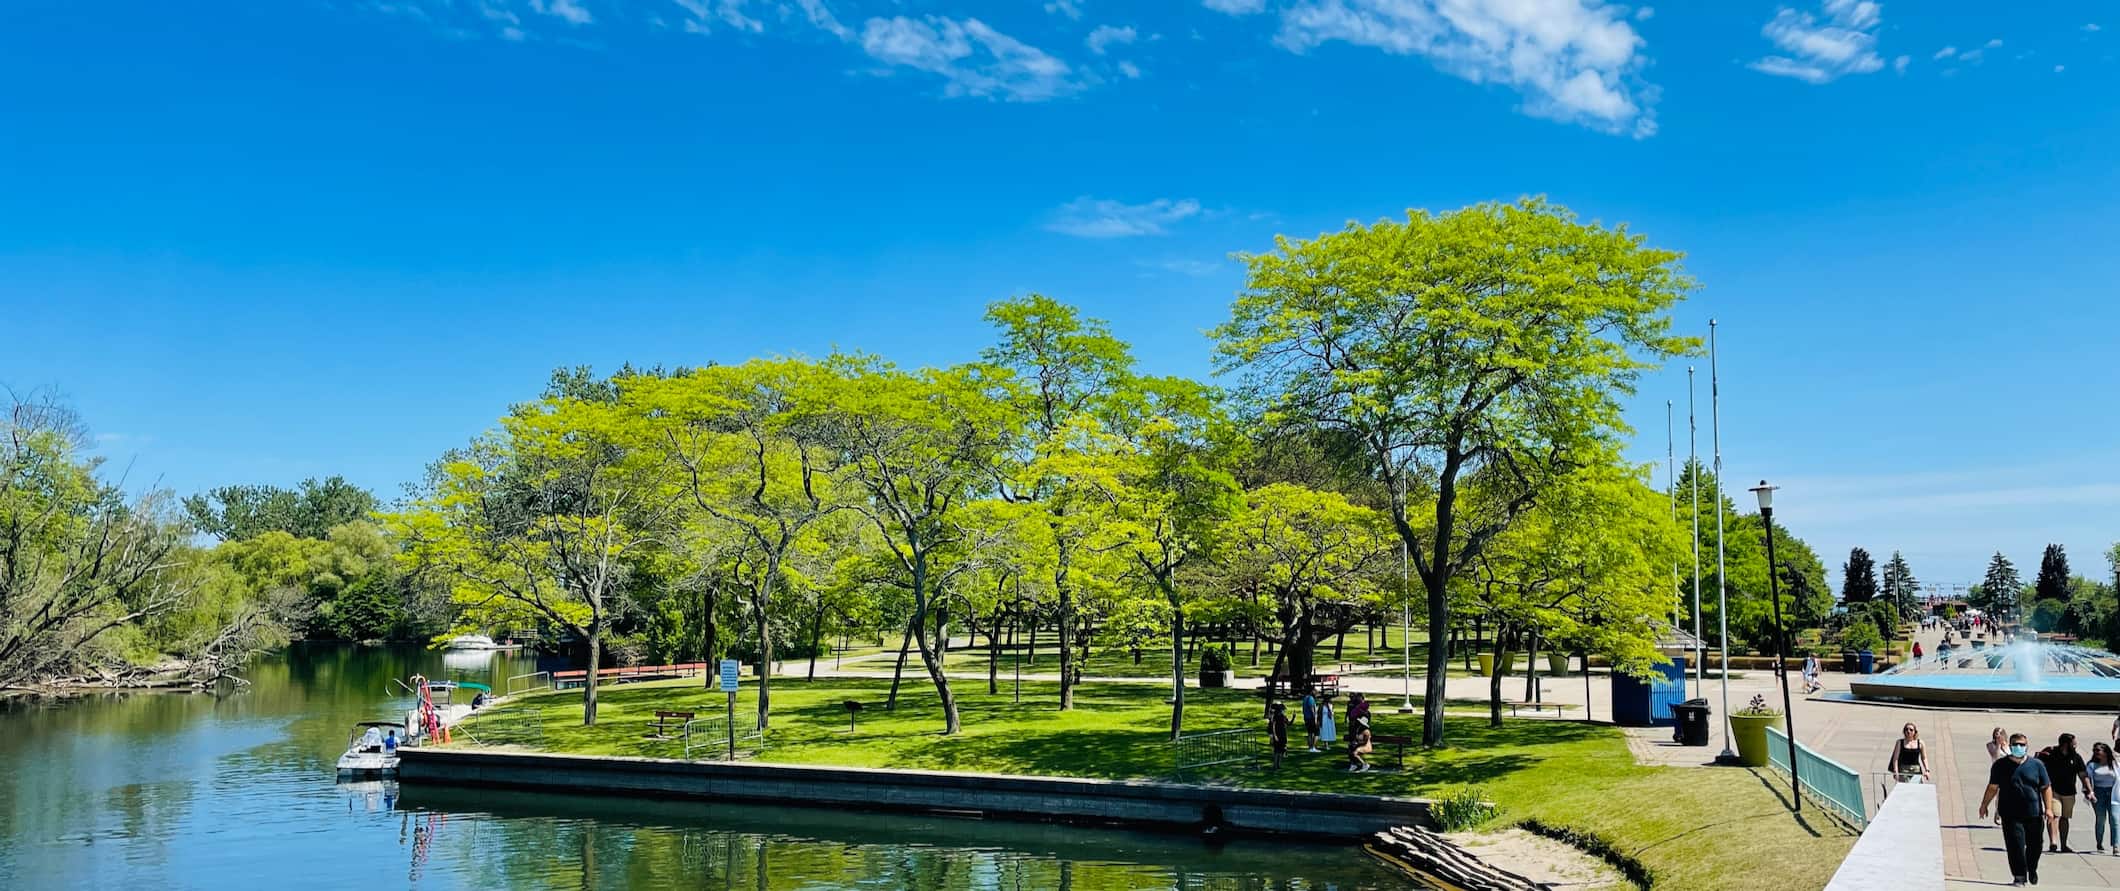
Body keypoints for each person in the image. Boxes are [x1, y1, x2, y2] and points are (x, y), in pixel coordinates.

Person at [1981, 732, 2054, 886]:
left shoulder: (2037, 765)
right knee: (2015, 845)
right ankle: (2019, 875)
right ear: (2010, 745)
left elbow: (2046, 787)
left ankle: (2031, 868)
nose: (2019, 747)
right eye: (2016, 744)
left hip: (2033, 813)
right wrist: (1984, 805)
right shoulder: (2000, 765)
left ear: (2027, 746)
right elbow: (1993, 787)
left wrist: (2049, 808)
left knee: (2036, 845)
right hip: (2010, 813)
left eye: (2022, 745)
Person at [2040, 733, 2089, 853]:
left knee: (2065, 818)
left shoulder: (2076, 757)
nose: (2076, 745)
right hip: (2053, 790)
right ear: (2066, 744)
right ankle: (2053, 842)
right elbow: (2039, 765)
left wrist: (2088, 789)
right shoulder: (2051, 753)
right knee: (2054, 815)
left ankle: (2064, 844)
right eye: (2074, 743)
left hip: (2069, 792)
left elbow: (2082, 774)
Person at [2089, 742, 2120, 854]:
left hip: (2113, 793)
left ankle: (2116, 845)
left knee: (2115, 819)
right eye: (2095, 750)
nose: (2096, 752)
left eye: (2098, 750)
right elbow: (2087, 779)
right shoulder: (2092, 765)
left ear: (2105, 752)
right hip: (2099, 794)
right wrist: (2090, 792)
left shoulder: (2114, 764)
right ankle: (2099, 843)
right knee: (2101, 819)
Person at [1266, 702, 1291, 769]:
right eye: (1283, 710)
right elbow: (1273, 726)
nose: (1284, 711)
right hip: (1277, 735)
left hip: (1283, 734)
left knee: (1281, 750)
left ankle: (1279, 765)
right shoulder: (1276, 716)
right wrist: (1275, 735)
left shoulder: (1284, 717)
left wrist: (1293, 717)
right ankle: (1275, 765)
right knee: (1276, 751)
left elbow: (1289, 723)